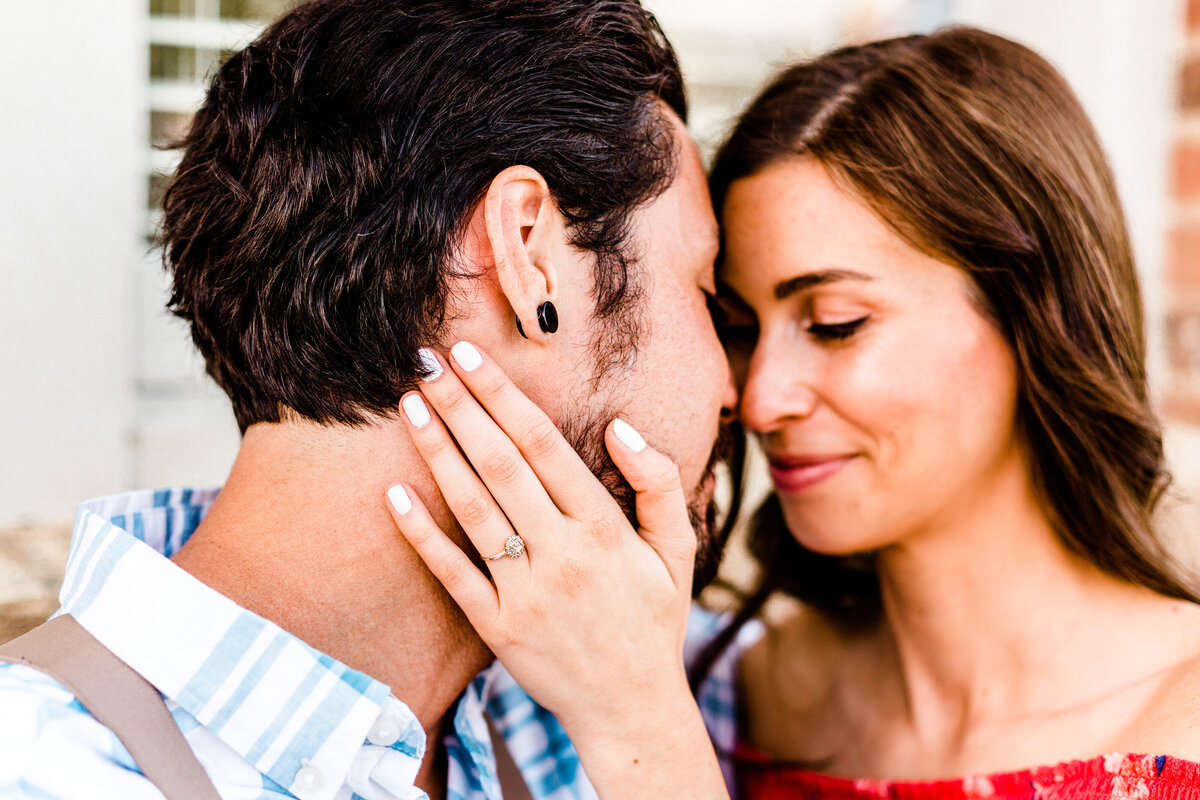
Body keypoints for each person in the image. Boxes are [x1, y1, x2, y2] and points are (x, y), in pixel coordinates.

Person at [385, 25, 1200, 800]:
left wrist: (644, 730)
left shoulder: (1182, 718)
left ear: (1032, 316)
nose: (763, 399)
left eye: (836, 324)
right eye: (736, 327)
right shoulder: (735, 692)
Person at [0, 1, 738, 798]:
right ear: (530, 258)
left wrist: (643, 730)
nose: (740, 394)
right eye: (706, 294)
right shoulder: (42, 771)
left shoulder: (586, 695)